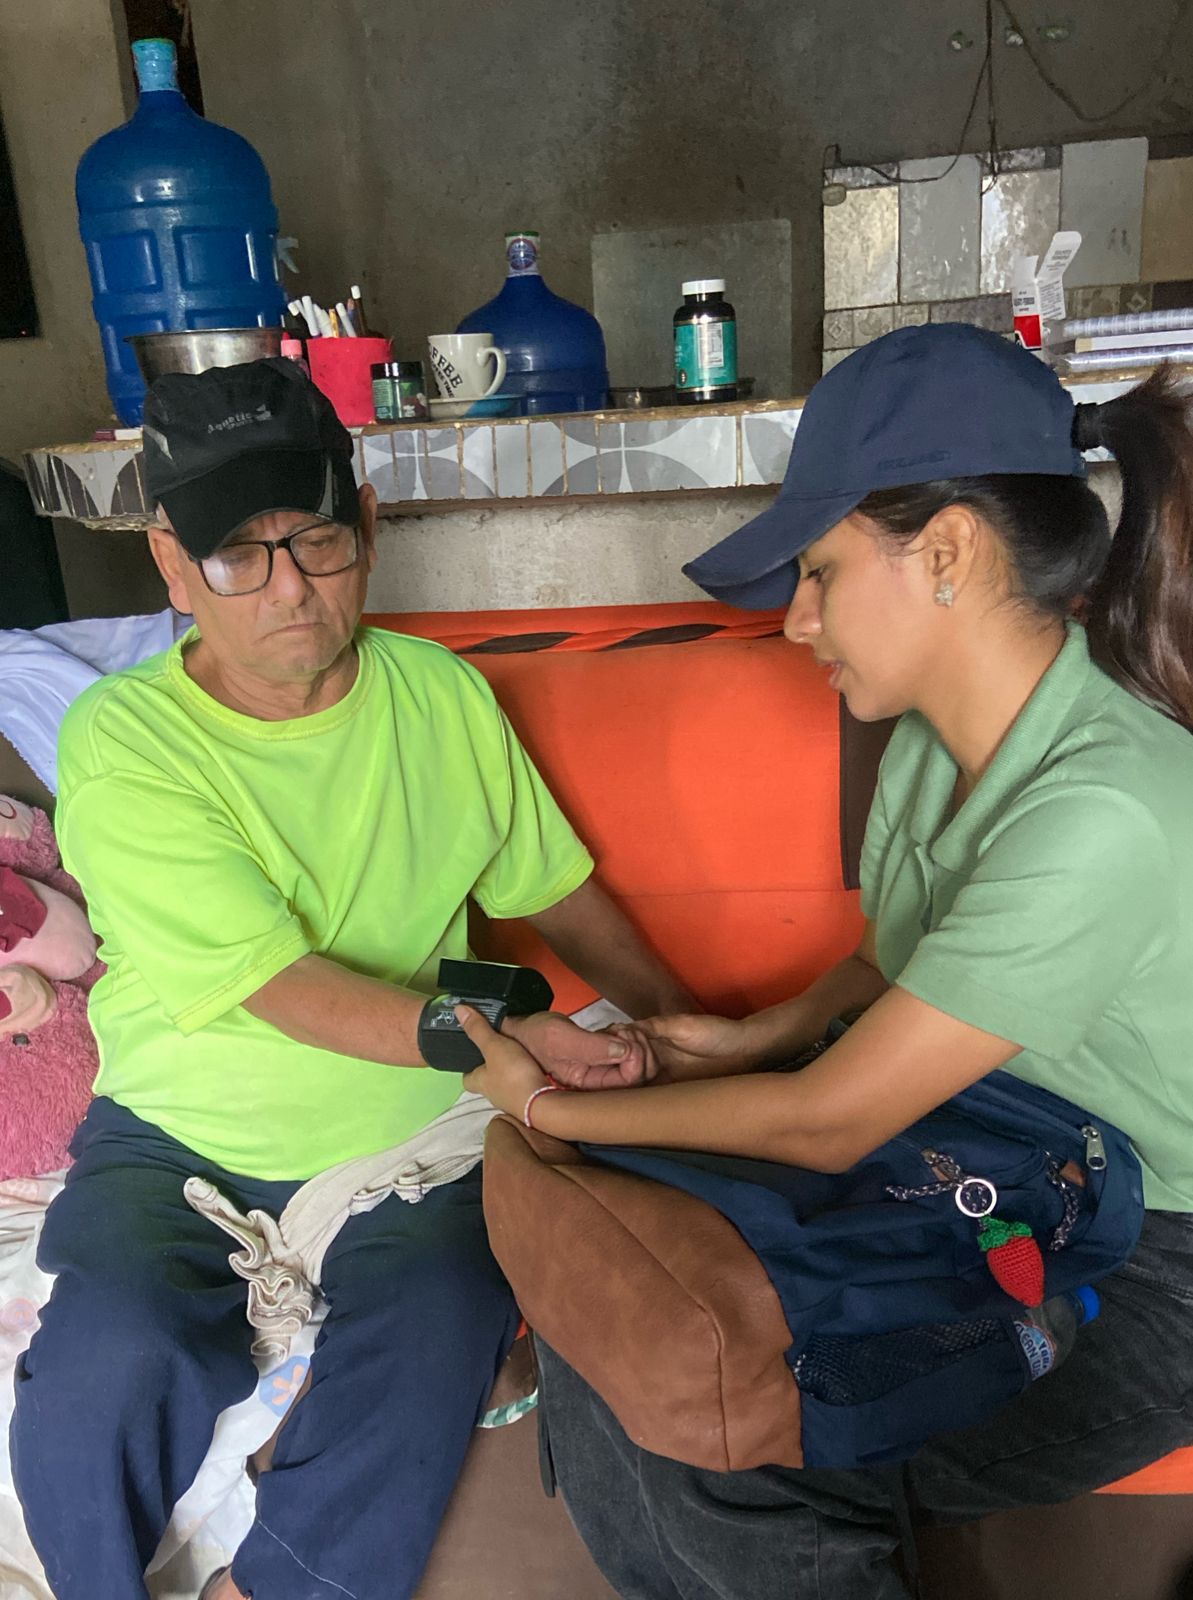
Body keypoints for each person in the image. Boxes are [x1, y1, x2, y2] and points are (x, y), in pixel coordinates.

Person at [455, 325, 1193, 1599]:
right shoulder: (931, 739)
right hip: (995, 1152)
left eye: (818, 571)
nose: (796, 620)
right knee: (624, 1303)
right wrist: (748, 1038)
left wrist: (545, 1108)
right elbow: (900, 961)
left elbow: (830, 1120)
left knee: (754, 1416)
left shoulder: (1102, 810)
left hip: (1151, 1252)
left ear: (946, 551)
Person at [9, 357, 691, 1600]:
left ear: (366, 526)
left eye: (315, 540)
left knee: (440, 1317)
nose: (288, 588)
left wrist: (676, 1020)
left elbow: (551, 888)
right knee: (108, 1359)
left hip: (411, 1130)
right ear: (171, 566)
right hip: (178, 1135)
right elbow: (276, 981)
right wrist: (499, 1047)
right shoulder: (127, 742)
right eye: (236, 555)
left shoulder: (441, 698)